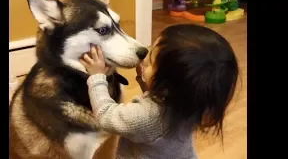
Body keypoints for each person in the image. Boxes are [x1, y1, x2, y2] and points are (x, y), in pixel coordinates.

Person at [79, 24, 239, 159]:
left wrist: (97, 77)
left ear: (166, 84)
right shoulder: (192, 101)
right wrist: (145, 79)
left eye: (152, 61)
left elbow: (106, 116)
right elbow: (160, 97)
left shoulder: (146, 117)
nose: (146, 58)